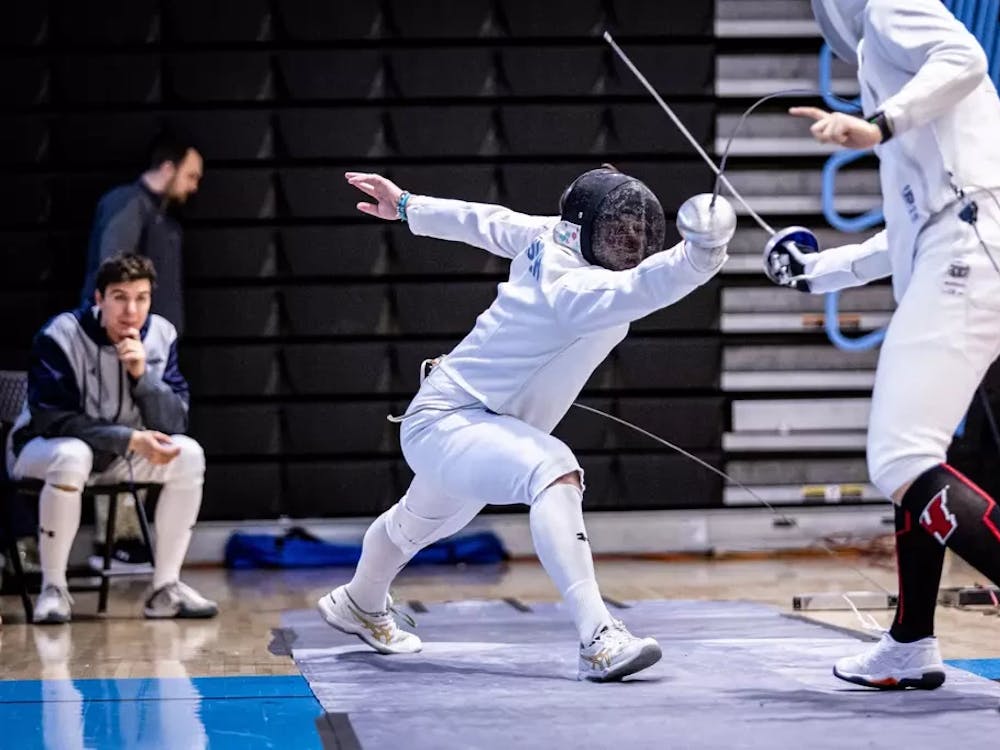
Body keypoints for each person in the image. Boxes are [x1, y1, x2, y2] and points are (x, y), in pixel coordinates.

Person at [316, 167, 736, 681]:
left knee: (417, 524)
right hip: (451, 420)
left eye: (636, 227)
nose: (629, 238)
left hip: (476, 426)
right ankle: (599, 637)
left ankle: (358, 602)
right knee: (554, 469)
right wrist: (699, 255)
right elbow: (645, 286)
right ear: (583, 229)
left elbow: (487, 221)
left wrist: (407, 206)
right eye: (617, 228)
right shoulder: (573, 289)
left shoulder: (551, 234)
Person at [768, 0, 1000, 689]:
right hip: (964, 242)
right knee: (939, 454)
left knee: (901, 455)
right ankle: (910, 641)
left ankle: (910, 641)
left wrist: (876, 125)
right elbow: (909, 232)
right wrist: (819, 272)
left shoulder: (894, 6)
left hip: (971, 248)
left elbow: (967, 58)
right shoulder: (884, 57)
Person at [5, 255, 218, 624]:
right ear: (99, 299)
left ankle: (164, 589)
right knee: (73, 455)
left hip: (118, 455)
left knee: (188, 454)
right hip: (39, 450)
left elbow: (174, 421)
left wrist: (142, 376)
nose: (131, 310)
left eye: (142, 297)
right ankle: (53, 590)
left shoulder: (162, 334)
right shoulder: (60, 335)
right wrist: (130, 438)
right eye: (119, 297)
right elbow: (53, 420)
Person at [78, 132, 203, 567]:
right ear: (167, 168)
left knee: (155, 435)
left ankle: (123, 542)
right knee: (118, 435)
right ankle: (111, 543)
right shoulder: (129, 204)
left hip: (149, 346)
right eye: (190, 175)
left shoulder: (158, 213)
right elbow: (113, 268)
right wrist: (116, 336)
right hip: (120, 345)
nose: (193, 186)